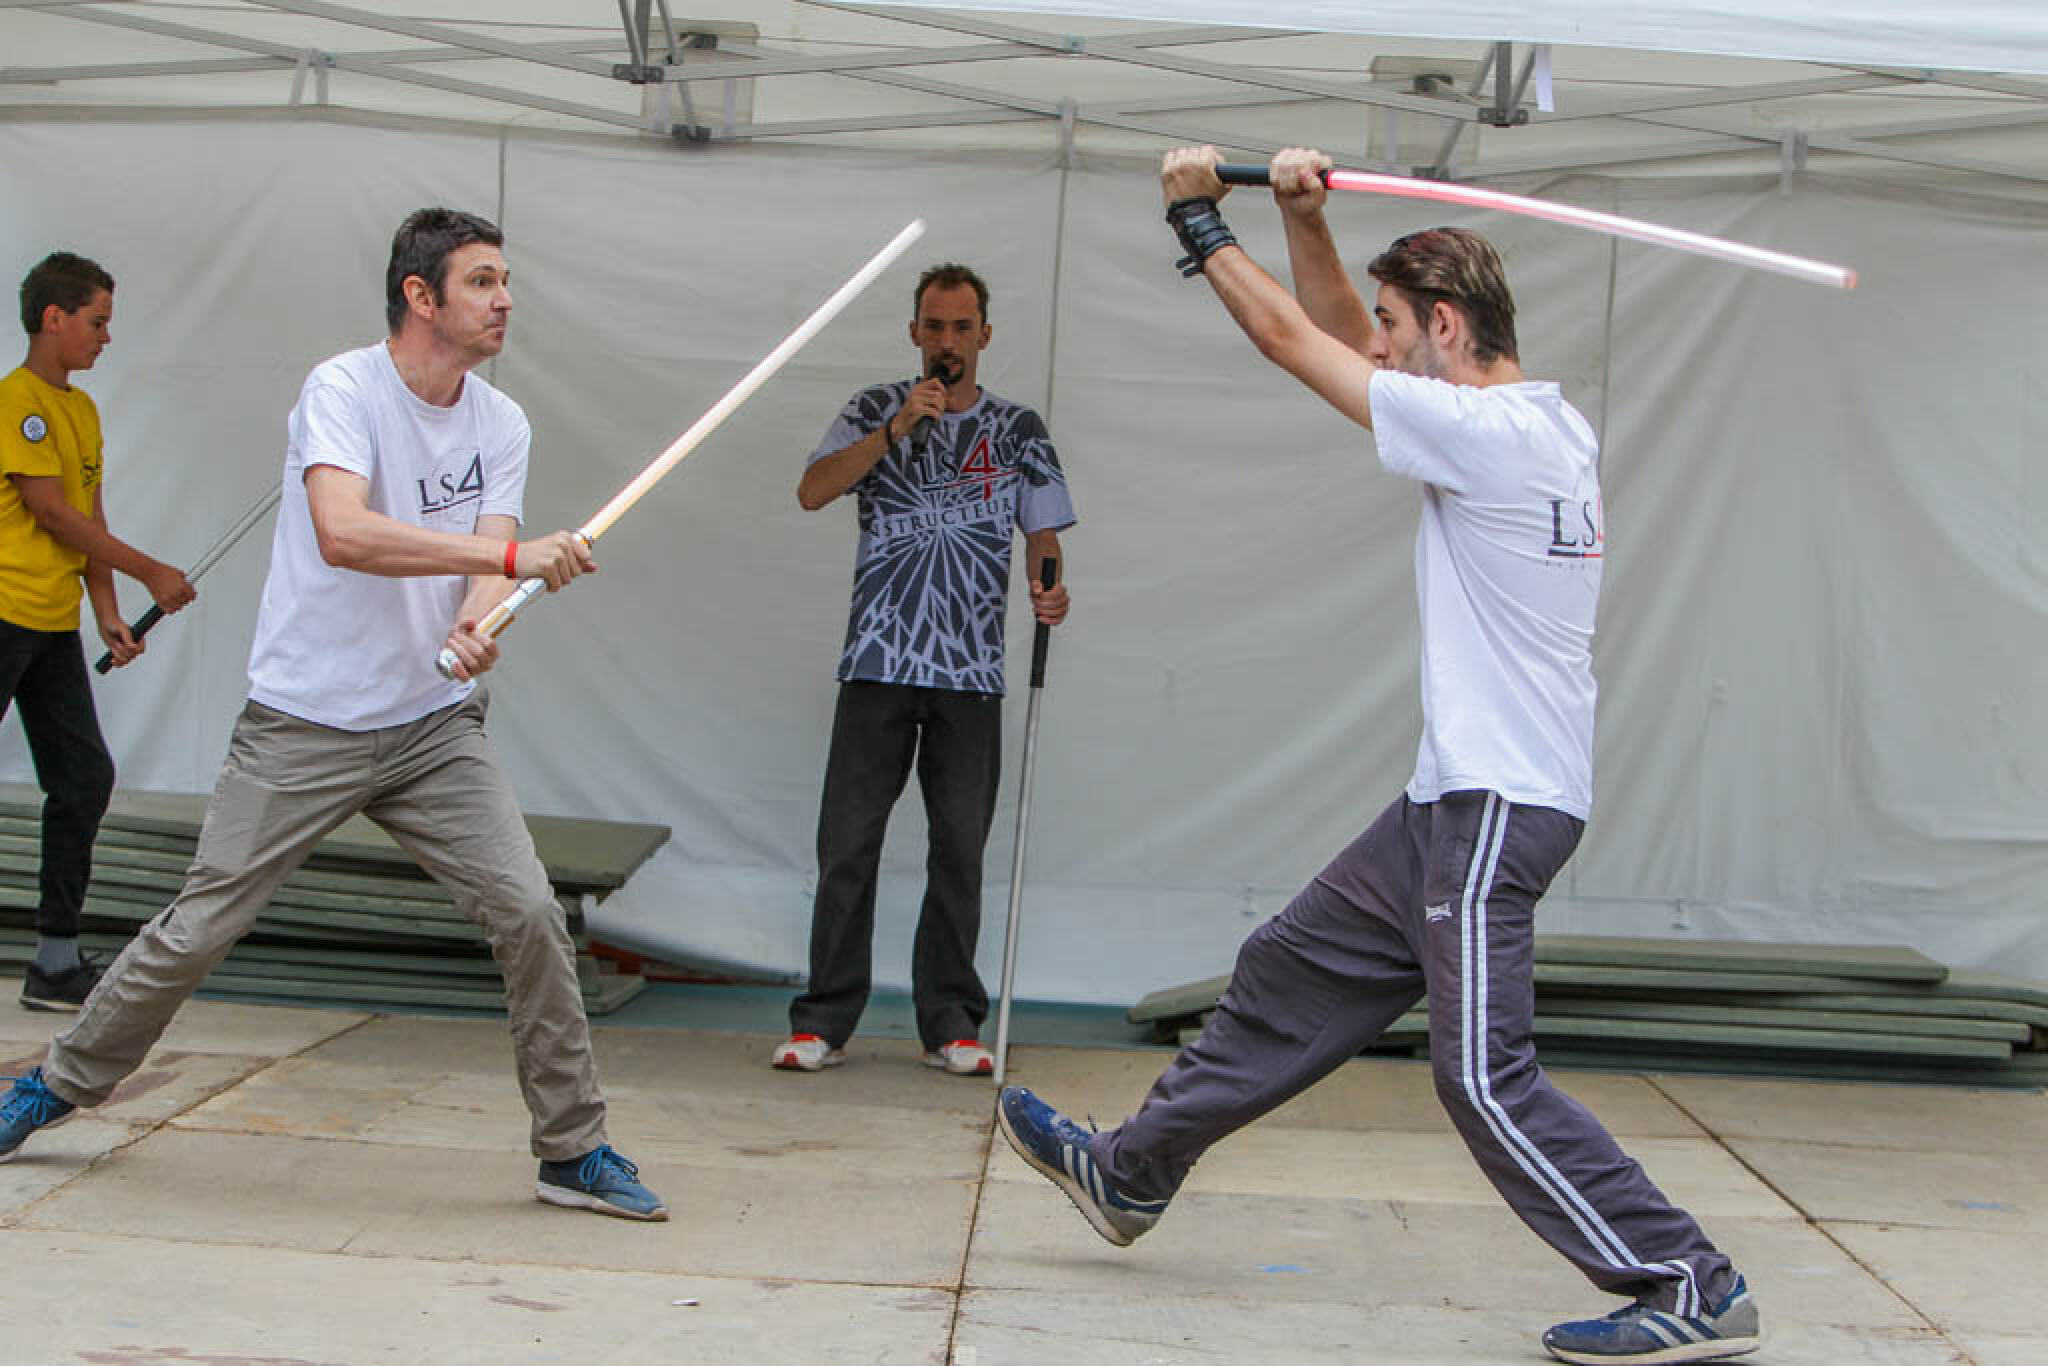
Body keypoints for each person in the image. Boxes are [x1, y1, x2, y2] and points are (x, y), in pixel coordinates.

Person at [996, 148, 1759, 1365]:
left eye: (1402, 327)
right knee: (1287, 968)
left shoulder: (1489, 436)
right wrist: (1302, 222)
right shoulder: (1535, 421)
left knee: (1482, 1075)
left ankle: (1688, 1281)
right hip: (1444, 802)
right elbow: (1344, 340)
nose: (1385, 349)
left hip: (1495, 804)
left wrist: (1196, 220)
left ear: (1446, 326)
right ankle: (1130, 1171)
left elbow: (1294, 345)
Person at [0, 209, 665, 1222]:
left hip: (433, 727)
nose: (505, 300)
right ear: (420, 296)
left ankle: (571, 1150)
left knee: (530, 913)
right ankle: (54, 1085)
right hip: (304, 722)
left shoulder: (502, 423)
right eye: (483, 281)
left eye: (505, 280)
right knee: (199, 927)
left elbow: (489, 562)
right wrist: (505, 559)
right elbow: (343, 532)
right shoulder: (342, 390)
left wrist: (480, 620)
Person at [774, 262, 1075, 1078]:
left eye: (961, 326)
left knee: (960, 849)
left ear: (985, 334)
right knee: (847, 844)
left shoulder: (1018, 428)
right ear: (914, 332)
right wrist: (896, 428)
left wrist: (1048, 589)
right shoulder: (873, 407)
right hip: (878, 659)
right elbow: (812, 490)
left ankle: (950, 1022)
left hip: (970, 670)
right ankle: (824, 1019)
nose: (948, 340)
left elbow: (1043, 535)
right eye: (934, 326)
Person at [0, 252, 195, 1011]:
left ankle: (54, 962)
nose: (106, 337)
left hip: (50, 625)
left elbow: (88, 517)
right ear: (54, 319)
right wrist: (150, 571)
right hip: (5, 613)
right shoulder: (17, 404)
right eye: (97, 322)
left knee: (83, 778)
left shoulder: (80, 410)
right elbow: (50, 513)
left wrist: (107, 608)